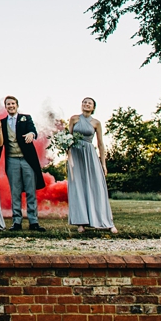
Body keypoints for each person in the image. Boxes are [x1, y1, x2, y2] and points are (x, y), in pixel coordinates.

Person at [66, 97, 118, 233]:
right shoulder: (74, 119)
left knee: (97, 186)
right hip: (76, 155)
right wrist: (69, 157)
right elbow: (67, 139)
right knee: (78, 186)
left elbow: (100, 144)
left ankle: (105, 221)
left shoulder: (96, 123)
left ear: (93, 107)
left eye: (89, 103)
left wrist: (103, 164)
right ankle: (80, 222)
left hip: (90, 154)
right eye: (84, 102)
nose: (86, 104)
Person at [0, 95, 45, 231]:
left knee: (30, 191)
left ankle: (33, 222)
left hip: (27, 160)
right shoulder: (2, 122)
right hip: (12, 160)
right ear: (5, 107)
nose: (11, 106)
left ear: (17, 105)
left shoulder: (26, 118)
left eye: (13, 103)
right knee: (15, 192)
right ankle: (16, 222)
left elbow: (33, 130)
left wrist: (31, 134)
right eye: (8, 104)